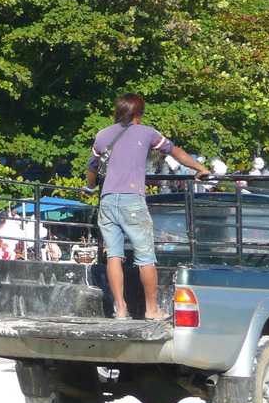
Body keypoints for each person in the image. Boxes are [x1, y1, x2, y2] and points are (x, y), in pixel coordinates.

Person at [87, 93, 209, 320]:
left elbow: (92, 167)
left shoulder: (103, 135)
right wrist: (199, 168)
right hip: (132, 199)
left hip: (107, 199)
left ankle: (120, 309)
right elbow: (177, 154)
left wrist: (91, 187)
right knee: (145, 258)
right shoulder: (147, 133)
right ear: (138, 113)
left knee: (113, 255)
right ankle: (152, 309)